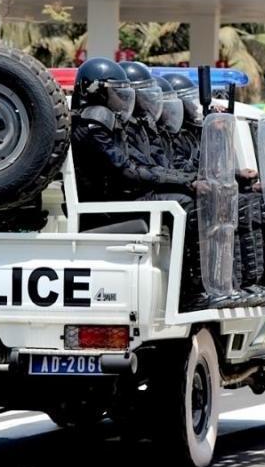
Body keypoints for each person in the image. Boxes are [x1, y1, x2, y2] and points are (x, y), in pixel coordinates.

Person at [69, 58, 203, 309]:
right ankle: (189, 292)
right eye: (116, 94)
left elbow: (146, 166)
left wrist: (188, 180)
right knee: (183, 204)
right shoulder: (91, 126)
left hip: (120, 200)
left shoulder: (109, 123)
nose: (123, 101)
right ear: (97, 93)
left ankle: (203, 285)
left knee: (188, 198)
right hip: (104, 209)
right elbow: (128, 171)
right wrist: (187, 181)